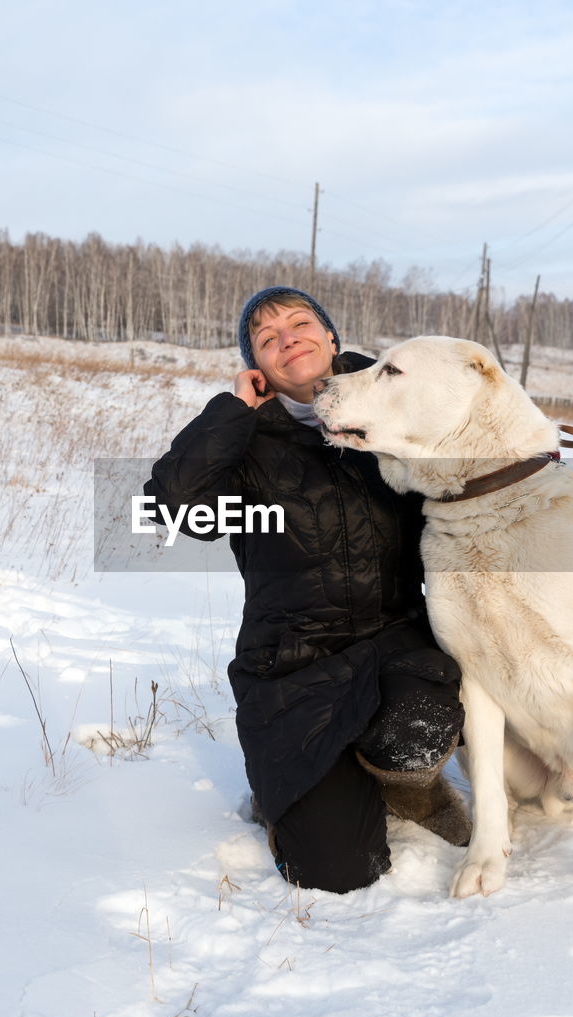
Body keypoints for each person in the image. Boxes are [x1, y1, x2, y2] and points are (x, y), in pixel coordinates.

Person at [144, 286, 469, 893]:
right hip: (292, 666)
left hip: (396, 643)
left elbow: (472, 469)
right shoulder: (244, 441)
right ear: (258, 367)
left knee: (422, 715)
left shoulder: (393, 409)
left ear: (331, 339)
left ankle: (410, 786)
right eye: (267, 339)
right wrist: (232, 413)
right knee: (338, 872)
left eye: (300, 323)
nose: (287, 337)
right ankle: (302, 795)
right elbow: (169, 508)